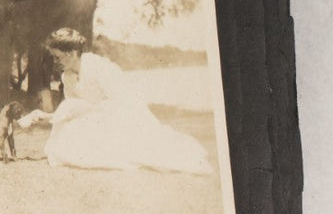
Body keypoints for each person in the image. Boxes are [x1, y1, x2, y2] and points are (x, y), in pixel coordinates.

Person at [39, 29, 213, 174]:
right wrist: (46, 117)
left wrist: (90, 111)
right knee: (66, 140)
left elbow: (121, 100)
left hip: (120, 115)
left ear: (71, 54)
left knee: (142, 149)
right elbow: (71, 108)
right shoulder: (67, 76)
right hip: (94, 118)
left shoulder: (98, 66)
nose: (55, 62)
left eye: (57, 57)